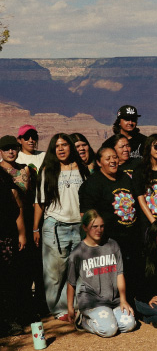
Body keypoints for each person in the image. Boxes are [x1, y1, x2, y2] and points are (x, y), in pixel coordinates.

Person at [34, 133, 88, 321]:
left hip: (79, 227)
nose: (61, 149)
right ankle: (58, 309)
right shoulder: (47, 170)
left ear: (70, 147)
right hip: (55, 226)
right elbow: (40, 202)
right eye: (57, 146)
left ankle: (74, 305)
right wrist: (35, 229)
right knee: (55, 272)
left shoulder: (81, 168)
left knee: (78, 269)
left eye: (64, 145)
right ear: (52, 149)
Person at [78, 146, 139, 296]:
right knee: (111, 278)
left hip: (130, 237)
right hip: (108, 240)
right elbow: (86, 215)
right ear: (99, 163)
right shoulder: (92, 184)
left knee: (130, 274)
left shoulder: (125, 178)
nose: (113, 161)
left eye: (115, 157)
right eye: (108, 158)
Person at [66, 210, 136, 337]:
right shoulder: (77, 253)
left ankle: (109, 316)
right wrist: (70, 307)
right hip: (91, 301)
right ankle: (83, 321)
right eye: (94, 226)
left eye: (101, 226)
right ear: (85, 227)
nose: (99, 230)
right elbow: (71, 282)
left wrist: (123, 300)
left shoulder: (112, 245)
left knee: (129, 324)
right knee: (109, 330)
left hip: (113, 300)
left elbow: (120, 274)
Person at [0, 168, 26, 336]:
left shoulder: (2, 177)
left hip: (5, 237)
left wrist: (22, 234)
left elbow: (17, 205)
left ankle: (10, 321)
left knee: (7, 280)